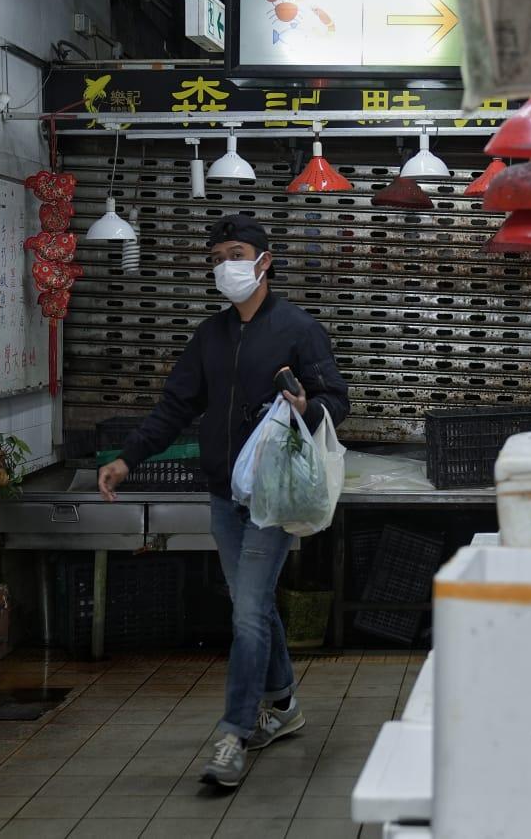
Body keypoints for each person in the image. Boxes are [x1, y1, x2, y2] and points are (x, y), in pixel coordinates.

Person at [97, 213, 350, 787]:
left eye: (235, 253)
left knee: (247, 613)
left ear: (264, 260)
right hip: (223, 496)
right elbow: (174, 407)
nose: (225, 266)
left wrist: (309, 406)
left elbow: (339, 400)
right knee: (252, 608)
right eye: (216, 258)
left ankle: (236, 732)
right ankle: (283, 705)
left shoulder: (298, 329)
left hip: (275, 496)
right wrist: (127, 458)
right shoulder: (209, 336)